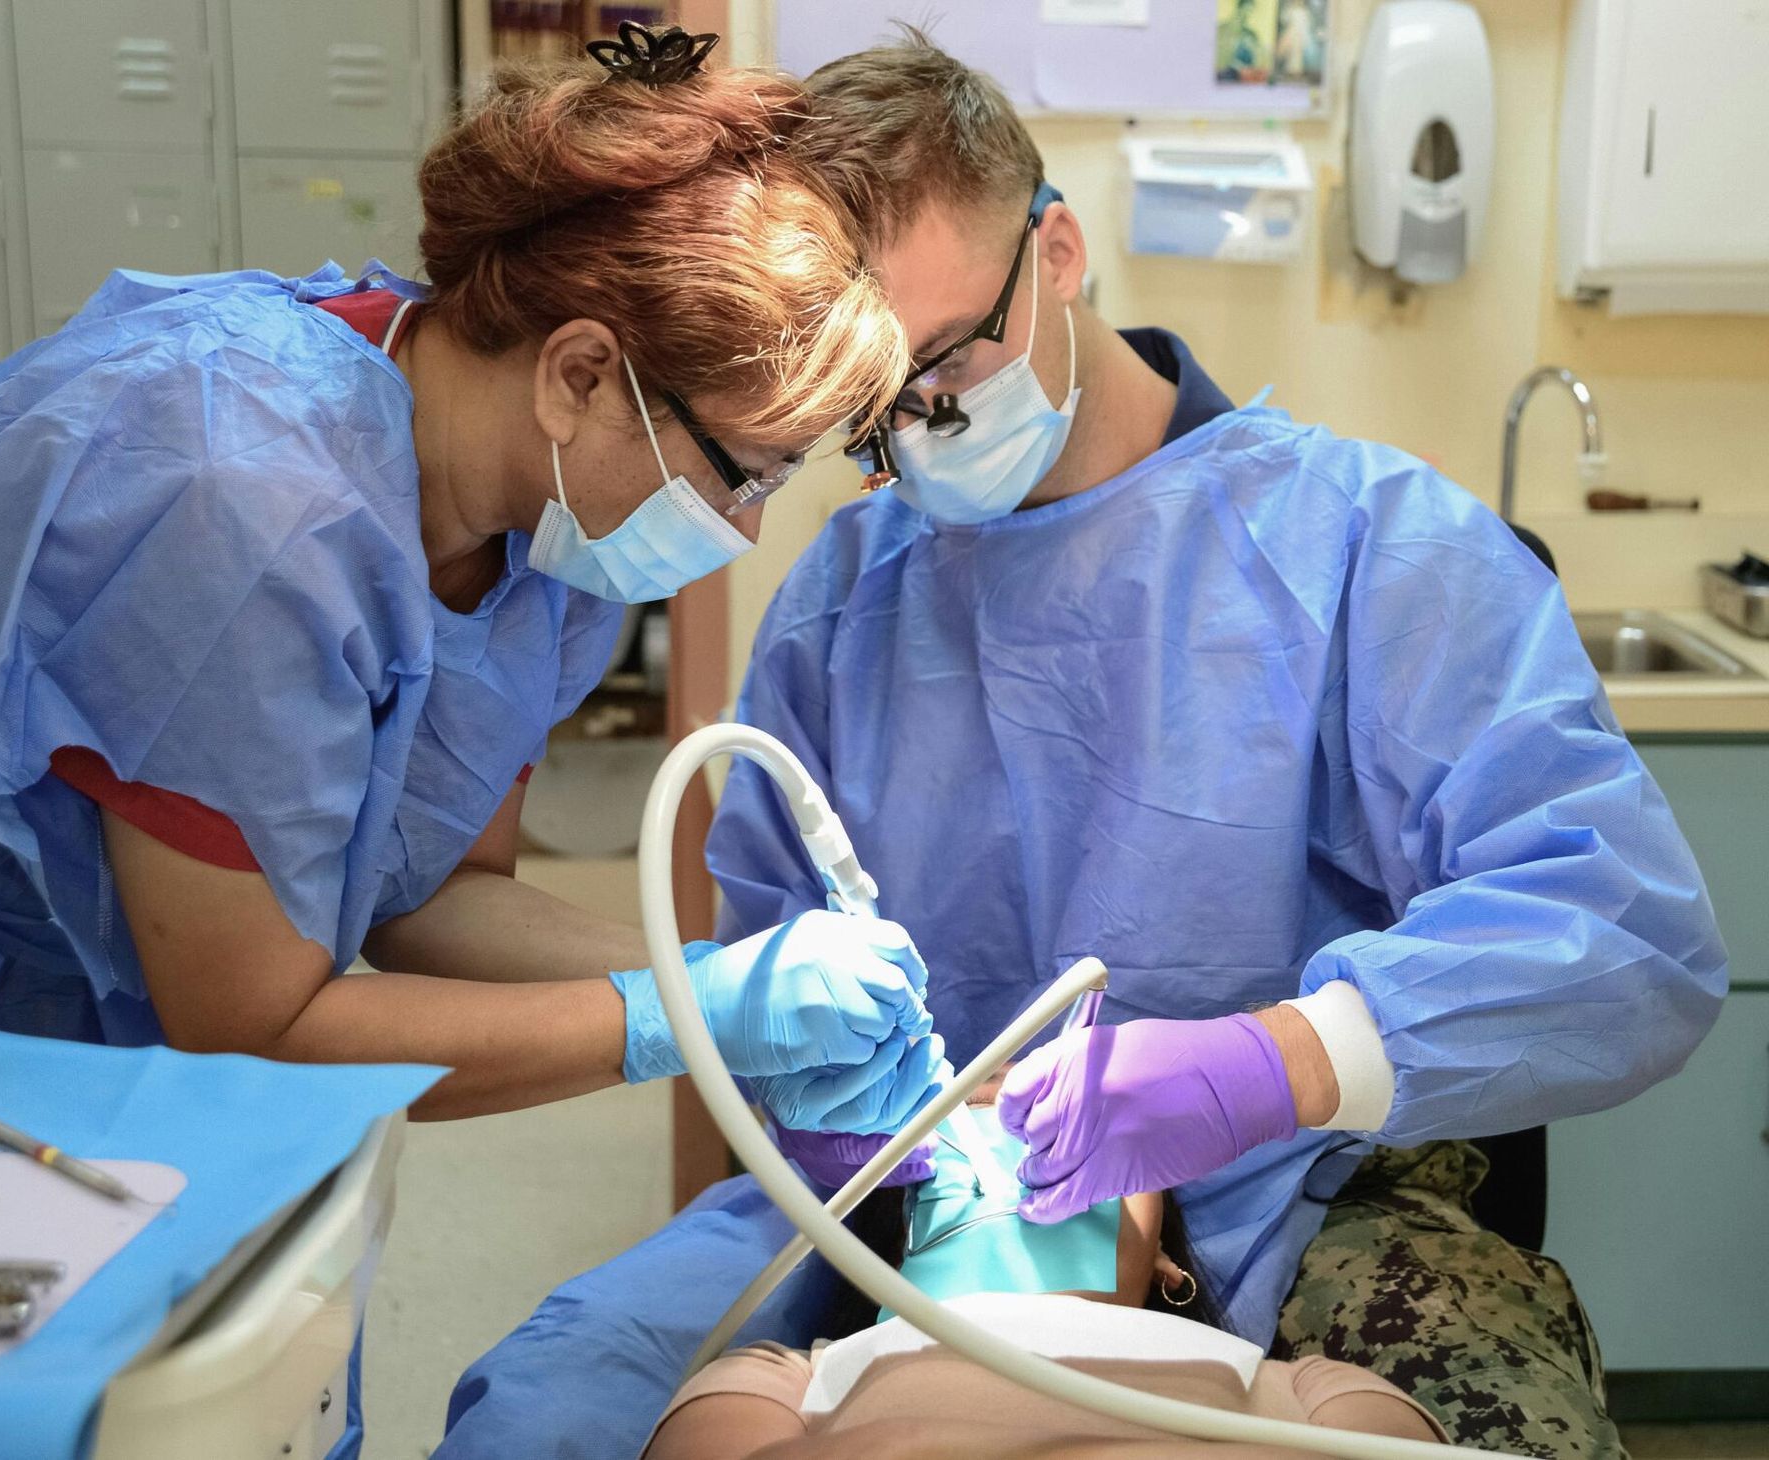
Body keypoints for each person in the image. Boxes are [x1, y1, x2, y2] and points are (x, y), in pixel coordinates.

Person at [701, 28, 1725, 1456]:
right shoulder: (841, 600)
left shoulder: (1372, 547)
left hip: (1324, 1201)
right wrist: (850, 1120)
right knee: (595, 1396)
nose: (922, 429)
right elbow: (755, 980)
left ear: (1056, 253)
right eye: (871, 410)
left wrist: (1277, 1063)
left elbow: (1626, 934)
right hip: (931, 1205)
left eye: (943, 361)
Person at [0, 24, 943, 1139]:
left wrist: (733, 981)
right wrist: (678, 1018)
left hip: (159, 1037)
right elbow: (256, 1034)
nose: (744, 529)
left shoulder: (540, 529)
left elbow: (430, 893)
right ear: (579, 375)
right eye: (742, 473)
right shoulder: (247, 510)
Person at [644, 1073, 1445, 1459]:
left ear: (1168, 1261)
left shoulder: (1301, 1385)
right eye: (971, 1120)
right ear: (885, 1243)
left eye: (1090, 1137)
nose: (1016, 1141)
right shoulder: (786, 1381)